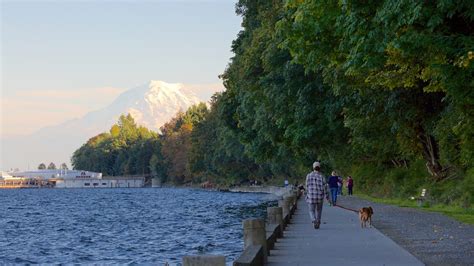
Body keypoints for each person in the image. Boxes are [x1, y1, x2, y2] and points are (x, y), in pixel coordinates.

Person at [305, 161, 329, 229]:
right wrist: (327, 195)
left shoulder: (308, 176)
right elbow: (325, 187)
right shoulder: (321, 176)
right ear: (319, 168)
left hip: (311, 197)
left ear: (313, 168)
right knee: (319, 210)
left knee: (311, 210)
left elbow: (306, 186)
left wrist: (307, 192)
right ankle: (318, 222)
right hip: (319, 197)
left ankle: (313, 220)